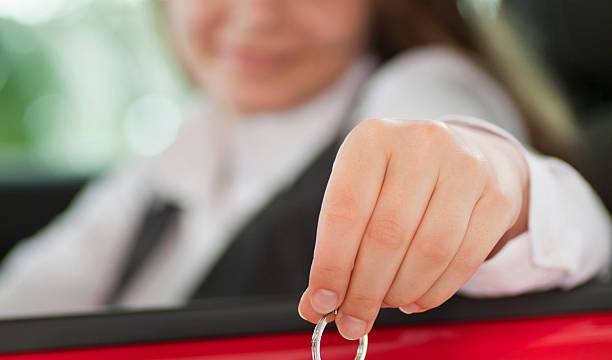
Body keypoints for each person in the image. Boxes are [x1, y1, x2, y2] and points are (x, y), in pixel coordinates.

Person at [0, 0, 609, 340]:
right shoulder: (185, 143)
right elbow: (25, 300)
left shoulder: (416, 85)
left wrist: (500, 182)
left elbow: (551, 217)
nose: (258, 14)